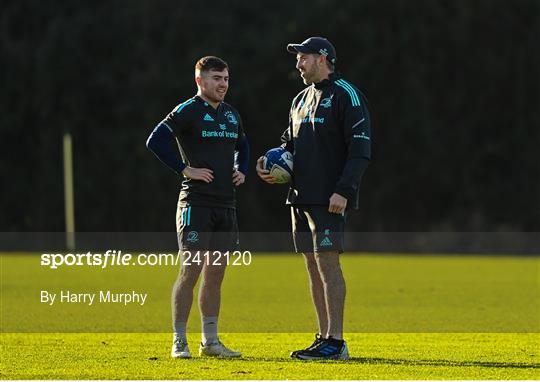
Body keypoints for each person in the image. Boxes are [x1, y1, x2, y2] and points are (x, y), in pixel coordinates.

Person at [256, 37, 371, 360]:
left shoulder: (347, 95)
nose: (298, 64)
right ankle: (322, 337)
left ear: (322, 58)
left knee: (328, 264)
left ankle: (337, 340)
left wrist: (344, 190)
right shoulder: (300, 99)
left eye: (303, 57)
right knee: (311, 264)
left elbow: (361, 151)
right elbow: (288, 144)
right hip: (300, 198)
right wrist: (268, 164)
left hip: (330, 197)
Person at [147, 56, 249, 359]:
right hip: (196, 203)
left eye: (226, 79)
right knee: (190, 270)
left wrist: (240, 168)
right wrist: (184, 168)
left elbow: (243, 145)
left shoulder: (231, 114)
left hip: (225, 204)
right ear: (200, 81)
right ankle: (179, 340)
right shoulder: (188, 110)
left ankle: (211, 341)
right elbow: (156, 140)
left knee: (216, 274)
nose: (222, 84)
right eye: (216, 78)